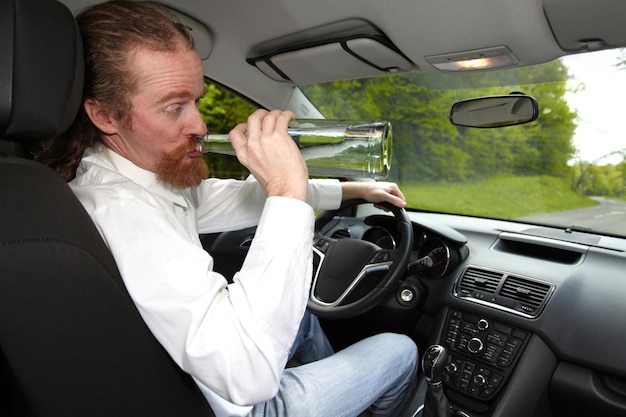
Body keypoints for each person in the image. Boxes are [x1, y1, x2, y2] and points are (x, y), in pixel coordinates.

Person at [37, 1, 418, 416]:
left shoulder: (130, 173)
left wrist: (354, 190)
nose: (199, 125)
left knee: (303, 321)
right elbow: (248, 374)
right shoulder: (125, 213)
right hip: (233, 401)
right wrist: (287, 190)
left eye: (196, 100)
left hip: (196, 376)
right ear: (104, 114)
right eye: (174, 106)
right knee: (400, 349)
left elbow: (234, 197)